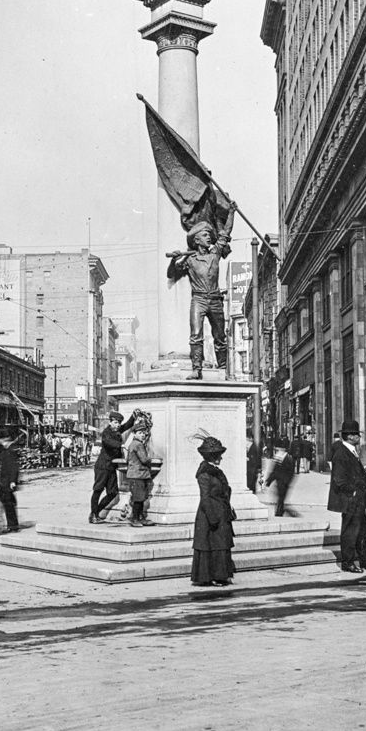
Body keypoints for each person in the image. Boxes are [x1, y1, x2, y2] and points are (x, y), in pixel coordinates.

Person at [166, 204, 236, 380]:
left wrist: (232, 213)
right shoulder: (189, 260)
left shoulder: (215, 254)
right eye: (205, 235)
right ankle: (196, 369)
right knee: (196, 335)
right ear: (196, 240)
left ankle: (223, 370)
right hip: (198, 300)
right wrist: (174, 259)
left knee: (220, 337)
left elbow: (225, 234)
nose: (208, 238)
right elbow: (171, 274)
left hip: (215, 299)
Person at [326, 419, 366, 573]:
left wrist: (363, 471)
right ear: (350, 436)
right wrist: (353, 491)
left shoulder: (350, 450)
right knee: (350, 532)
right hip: (350, 500)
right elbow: (339, 479)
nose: (359, 437)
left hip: (358, 500)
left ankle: (365, 559)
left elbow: (349, 472)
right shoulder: (341, 453)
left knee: (363, 530)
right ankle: (348, 562)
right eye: (357, 435)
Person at [191, 435, 236, 586]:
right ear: (213, 457)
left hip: (221, 513)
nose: (221, 458)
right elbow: (205, 498)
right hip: (210, 516)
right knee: (212, 545)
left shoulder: (216, 471)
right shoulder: (204, 474)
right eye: (219, 455)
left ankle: (220, 575)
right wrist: (213, 517)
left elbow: (224, 490)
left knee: (220, 545)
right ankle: (210, 576)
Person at [89, 410, 136, 523]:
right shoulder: (106, 432)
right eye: (115, 422)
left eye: (119, 423)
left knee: (113, 493)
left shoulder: (117, 430)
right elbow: (108, 442)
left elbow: (127, 425)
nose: (118, 425)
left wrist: (133, 416)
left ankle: (97, 512)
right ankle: (93, 515)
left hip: (111, 468)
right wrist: (122, 445)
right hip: (102, 467)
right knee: (98, 490)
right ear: (110, 422)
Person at [127, 422, 155, 527]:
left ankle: (139, 518)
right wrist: (150, 460)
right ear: (134, 434)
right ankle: (135, 519)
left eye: (144, 433)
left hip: (136, 475)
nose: (142, 435)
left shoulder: (132, 444)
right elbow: (144, 459)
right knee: (139, 499)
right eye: (140, 433)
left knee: (139, 498)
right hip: (138, 475)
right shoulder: (138, 444)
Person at [0, 428, 21, 534]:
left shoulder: (10, 450)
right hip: (5, 481)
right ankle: (12, 525)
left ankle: (12, 525)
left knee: (8, 504)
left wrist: (12, 481)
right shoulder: (7, 450)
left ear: (5, 440)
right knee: (8, 503)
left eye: (1, 441)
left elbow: (14, 467)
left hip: (8, 482)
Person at [265, 444, 296, 516]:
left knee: (281, 497)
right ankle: (280, 511)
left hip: (284, 482)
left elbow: (291, 472)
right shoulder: (280, 457)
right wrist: (269, 481)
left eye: (278, 449)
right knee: (281, 497)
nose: (277, 451)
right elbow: (274, 471)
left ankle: (281, 511)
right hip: (280, 481)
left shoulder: (288, 458)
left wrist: (287, 481)